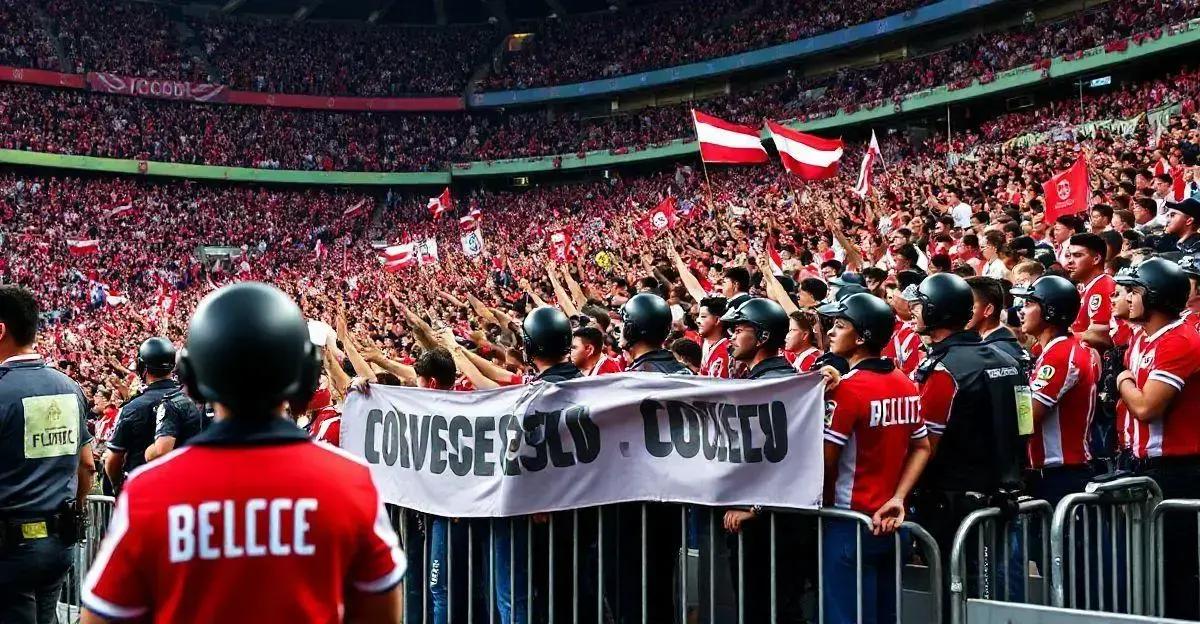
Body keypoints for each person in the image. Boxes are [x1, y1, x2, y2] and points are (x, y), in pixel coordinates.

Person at [81, 283, 405, 623]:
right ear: (305, 375)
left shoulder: (148, 492)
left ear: (191, 378)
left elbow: (101, 617)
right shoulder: (351, 484)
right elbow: (381, 613)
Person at [905, 272, 1030, 604]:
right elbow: (1025, 423)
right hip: (1002, 495)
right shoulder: (1010, 361)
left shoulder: (944, 371)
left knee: (958, 593)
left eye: (919, 305)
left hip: (954, 504)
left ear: (937, 311)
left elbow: (926, 445)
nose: (913, 311)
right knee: (993, 595)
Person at [719, 297, 836, 623]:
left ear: (762, 337)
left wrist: (754, 506)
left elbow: (787, 457)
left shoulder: (777, 385)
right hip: (778, 521)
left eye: (739, 329)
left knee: (768, 608)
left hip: (769, 525)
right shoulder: (780, 379)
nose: (731, 336)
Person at [817, 293, 931, 623]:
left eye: (839, 325)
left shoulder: (846, 390)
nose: (831, 333)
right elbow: (922, 447)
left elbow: (824, 460)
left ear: (862, 336)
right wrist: (898, 497)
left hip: (848, 525)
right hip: (894, 524)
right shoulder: (906, 384)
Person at [0, 285, 96, 624]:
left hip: (10, 550)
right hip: (59, 544)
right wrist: (77, 511)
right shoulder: (69, 387)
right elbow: (87, 464)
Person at [1114, 258, 1200, 619]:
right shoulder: (1140, 337)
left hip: (1176, 471)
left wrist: (1122, 380)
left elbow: (1148, 407)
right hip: (1144, 465)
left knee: (1175, 571)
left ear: (1155, 297)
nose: (1127, 298)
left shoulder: (1180, 340)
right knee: (1146, 565)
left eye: (1134, 291)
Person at [613, 292, 686, 624]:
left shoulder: (631, 381)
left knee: (633, 594)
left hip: (634, 501)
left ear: (633, 328)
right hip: (673, 498)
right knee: (660, 588)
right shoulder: (686, 373)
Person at [1011, 275, 1097, 504]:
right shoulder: (1050, 351)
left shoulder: (1060, 355)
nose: (1021, 311)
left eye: (1029, 304)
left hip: (1061, 476)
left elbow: (1026, 417)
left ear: (1050, 311)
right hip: (1050, 474)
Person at [104, 337, 197, 494]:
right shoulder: (188, 401)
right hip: (181, 490)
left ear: (144, 367)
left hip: (141, 491)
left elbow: (113, 459)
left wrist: (117, 486)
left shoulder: (132, 408)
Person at [1065, 233, 1116, 350]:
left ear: (1096, 259)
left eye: (1077, 255)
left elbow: (1102, 337)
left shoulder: (1104, 287)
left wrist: (1061, 337)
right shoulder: (1085, 286)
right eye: (1069, 256)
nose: (1070, 262)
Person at [696, 296, 731, 378]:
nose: (697, 320)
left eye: (703, 316)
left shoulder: (727, 351)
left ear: (717, 320)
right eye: (699, 316)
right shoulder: (701, 342)